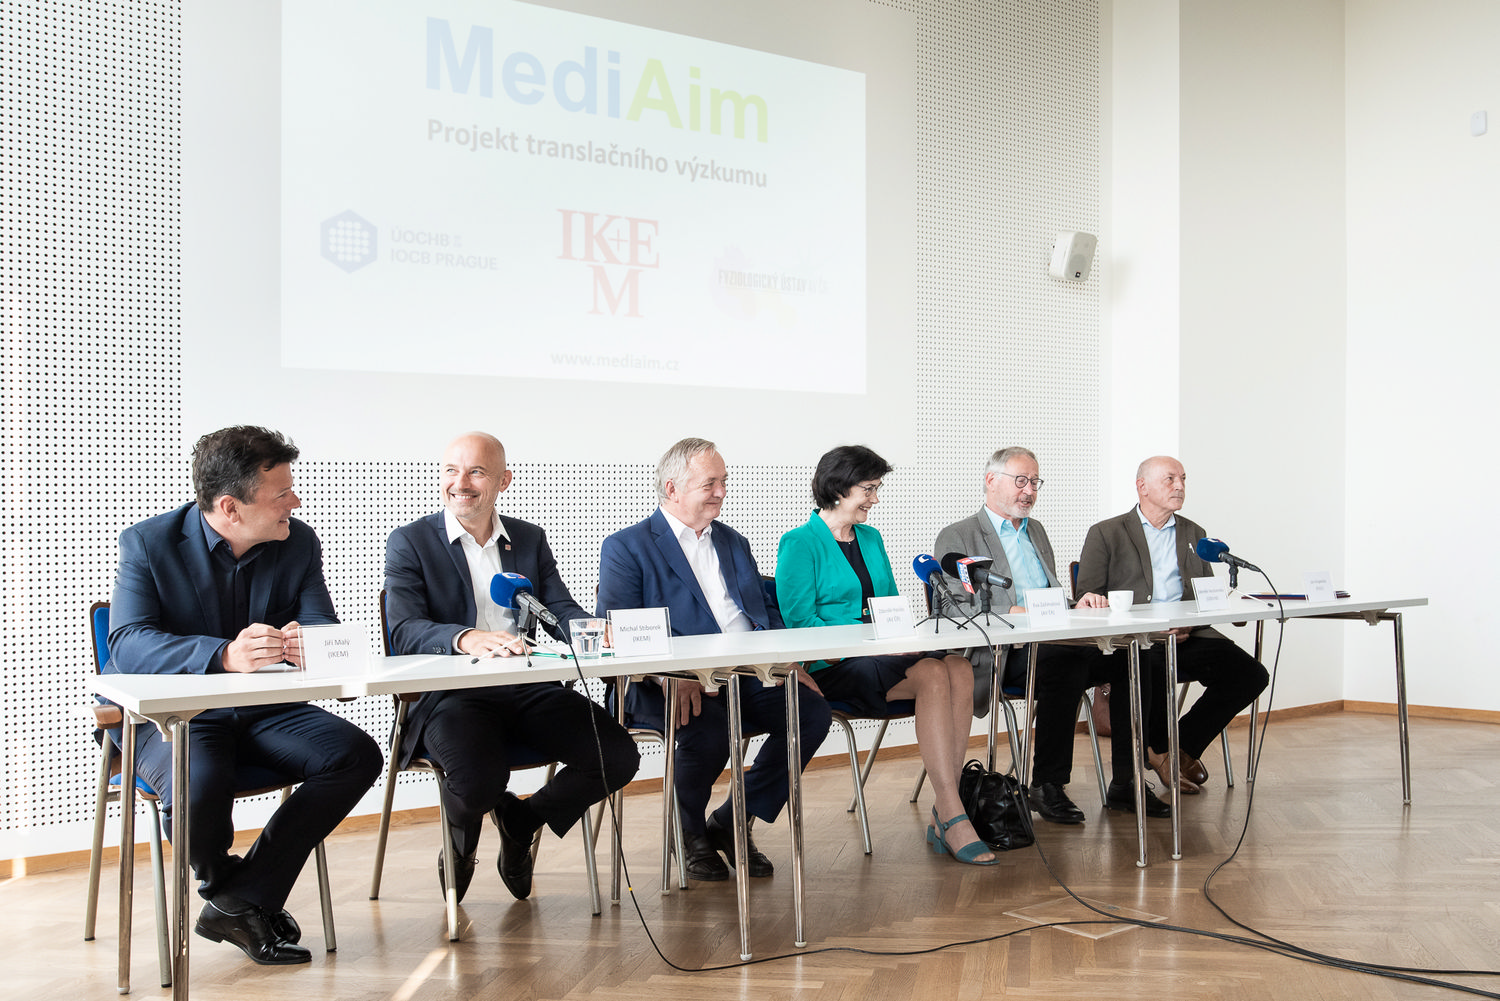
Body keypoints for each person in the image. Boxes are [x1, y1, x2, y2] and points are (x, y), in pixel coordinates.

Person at [105, 426, 383, 966]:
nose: (296, 502)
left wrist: (316, 643)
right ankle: (231, 892)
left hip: (265, 711)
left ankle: (240, 898)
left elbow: (321, 622)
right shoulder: (147, 543)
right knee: (199, 781)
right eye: (282, 493)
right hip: (180, 716)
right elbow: (128, 643)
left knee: (355, 755)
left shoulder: (297, 540)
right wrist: (223, 655)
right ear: (230, 507)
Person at [383, 432, 639, 903]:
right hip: (452, 696)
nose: (460, 483)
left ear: (504, 480)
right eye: (451, 471)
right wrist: (465, 637)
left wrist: (591, 629)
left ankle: (523, 820)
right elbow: (405, 628)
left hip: (527, 687)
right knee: (478, 782)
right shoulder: (410, 542)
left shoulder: (528, 538)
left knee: (617, 756)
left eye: (476, 472)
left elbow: (557, 606)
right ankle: (462, 838)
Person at [596, 437, 832, 881]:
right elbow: (617, 628)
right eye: (711, 483)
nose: (722, 491)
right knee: (707, 730)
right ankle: (687, 833)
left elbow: (762, 612)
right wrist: (671, 674)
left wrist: (786, 660)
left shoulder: (733, 541)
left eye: (724, 481)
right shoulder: (627, 547)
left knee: (811, 712)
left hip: (743, 674)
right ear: (673, 489)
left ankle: (732, 820)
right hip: (657, 683)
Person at [776, 445, 997, 865]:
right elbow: (800, 624)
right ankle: (952, 811)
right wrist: (867, 639)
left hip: (881, 656)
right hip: (832, 666)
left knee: (959, 667)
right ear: (839, 487)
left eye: (877, 489)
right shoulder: (799, 543)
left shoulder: (871, 538)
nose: (875, 499)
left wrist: (903, 635)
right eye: (869, 489)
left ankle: (946, 808)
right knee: (934, 672)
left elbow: (890, 605)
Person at [934, 446, 1155, 822]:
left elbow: (1047, 595)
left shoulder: (1035, 530)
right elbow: (956, 610)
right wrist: (1016, 612)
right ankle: (1047, 784)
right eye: (1021, 481)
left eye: (1035, 482)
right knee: (1062, 664)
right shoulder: (959, 536)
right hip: (1004, 652)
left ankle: (1126, 783)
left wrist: (1076, 604)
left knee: (1136, 656)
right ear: (991, 481)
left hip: (1055, 639)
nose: (1029, 491)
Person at [1076, 455, 1269, 808]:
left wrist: (1190, 622)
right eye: (1169, 479)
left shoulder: (1194, 533)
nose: (1179, 486)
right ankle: (1157, 754)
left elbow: (1203, 595)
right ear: (1142, 486)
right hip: (1135, 641)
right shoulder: (1106, 533)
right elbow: (1088, 596)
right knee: (1148, 665)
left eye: (1183, 479)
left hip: (1185, 636)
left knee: (1251, 674)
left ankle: (1176, 748)